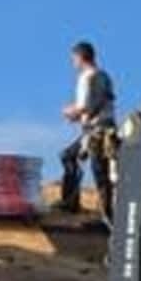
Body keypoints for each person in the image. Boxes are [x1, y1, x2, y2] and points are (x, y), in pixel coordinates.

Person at [59, 41, 117, 221]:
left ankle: (105, 215)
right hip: (106, 128)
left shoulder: (86, 77)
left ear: (79, 57)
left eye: (73, 59)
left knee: (97, 171)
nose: (73, 63)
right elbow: (99, 104)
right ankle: (77, 203)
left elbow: (84, 107)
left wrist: (70, 112)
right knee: (94, 168)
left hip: (95, 131)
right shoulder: (104, 76)